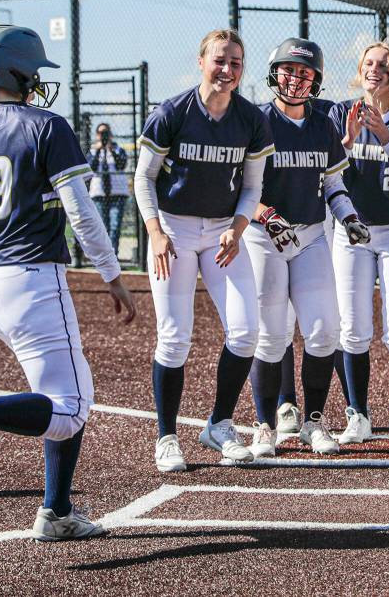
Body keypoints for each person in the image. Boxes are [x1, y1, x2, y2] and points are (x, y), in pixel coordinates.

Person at [0, 24, 136, 541]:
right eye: (33, 70)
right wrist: (113, 275)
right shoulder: (46, 125)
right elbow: (82, 214)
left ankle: (57, 512)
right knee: (72, 407)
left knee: (58, 389)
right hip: (31, 278)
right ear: (15, 70)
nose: (38, 79)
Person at [136, 28, 270, 471]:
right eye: (219, 60)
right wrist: (155, 232)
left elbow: (253, 186)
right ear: (201, 62)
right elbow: (144, 179)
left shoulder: (251, 119)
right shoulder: (172, 112)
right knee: (174, 336)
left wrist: (238, 226)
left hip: (221, 234)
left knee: (247, 330)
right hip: (172, 229)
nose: (227, 70)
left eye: (235, 62)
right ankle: (166, 436)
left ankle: (219, 423)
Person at [244, 38, 371, 458]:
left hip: (311, 234)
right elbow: (243, 191)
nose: (296, 79)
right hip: (264, 236)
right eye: (289, 70)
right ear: (274, 72)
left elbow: (333, 185)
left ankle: (314, 421)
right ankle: (265, 424)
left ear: (315, 79)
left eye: (305, 73)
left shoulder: (323, 125)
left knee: (323, 330)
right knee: (271, 333)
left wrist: (350, 216)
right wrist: (267, 216)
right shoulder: (256, 122)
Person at [329, 42, 389, 446]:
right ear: (359, 70)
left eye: (384, 65)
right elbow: (326, 170)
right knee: (352, 327)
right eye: (369, 63)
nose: (376, 70)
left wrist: (385, 135)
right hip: (352, 230)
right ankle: (359, 414)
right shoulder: (339, 112)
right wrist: (348, 141)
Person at [87, 122, 130, 252]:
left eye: (106, 133)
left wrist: (110, 149)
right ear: (97, 135)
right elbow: (91, 168)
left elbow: (121, 165)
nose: (104, 136)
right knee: (102, 228)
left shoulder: (118, 149)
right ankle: (105, 257)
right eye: (101, 133)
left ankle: (114, 256)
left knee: (115, 226)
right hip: (99, 194)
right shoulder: (93, 151)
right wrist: (99, 149)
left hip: (117, 193)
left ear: (110, 134)